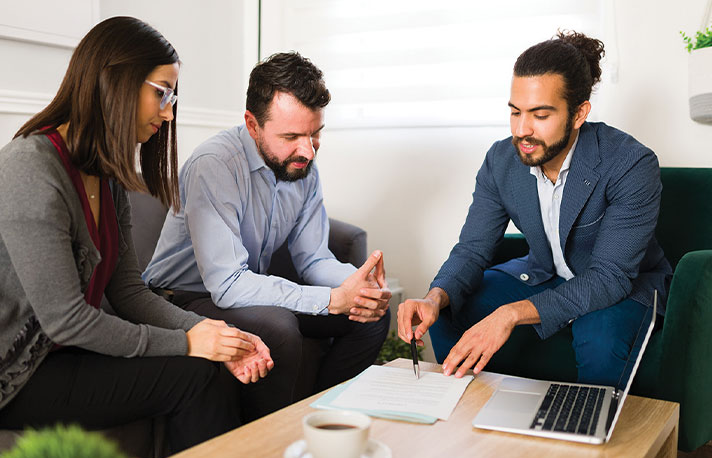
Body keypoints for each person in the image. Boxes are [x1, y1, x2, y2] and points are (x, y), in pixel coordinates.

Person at [0, 16, 273, 456]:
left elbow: (129, 292)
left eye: (173, 96)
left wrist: (212, 333)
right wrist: (189, 343)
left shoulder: (106, 173)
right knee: (193, 374)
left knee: (204, 363)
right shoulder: (30, 173)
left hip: (54, 354)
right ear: (113, 82)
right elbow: (68, 320)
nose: (169, 111)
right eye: (161, 92)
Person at [397, 31, 672, 387]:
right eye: (515, 112)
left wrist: (511, 314)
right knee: (452, 307)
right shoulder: (501, 161)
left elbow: (610, 277)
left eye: (540, 115)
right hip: (543, 274)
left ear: (578, 114)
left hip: (623, 285)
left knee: (600, 341)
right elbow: (473, 248)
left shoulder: (630, 163)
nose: (522, 130)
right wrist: (434, 298)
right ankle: (471, 420)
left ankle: (584, 438)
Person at [142, 52, 391, 418]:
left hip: (245, 289)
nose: (307, 150)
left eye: (315, 134)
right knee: (279, 329)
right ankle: (267, 442)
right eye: (291, 136)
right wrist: (330, 300)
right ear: (252, 124)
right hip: (183, 297)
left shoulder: (302, 167)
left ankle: (321, 417)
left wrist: (356, 286)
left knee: (369, 314)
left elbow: (313, 259)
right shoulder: (215, 165)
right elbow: (227, 285)